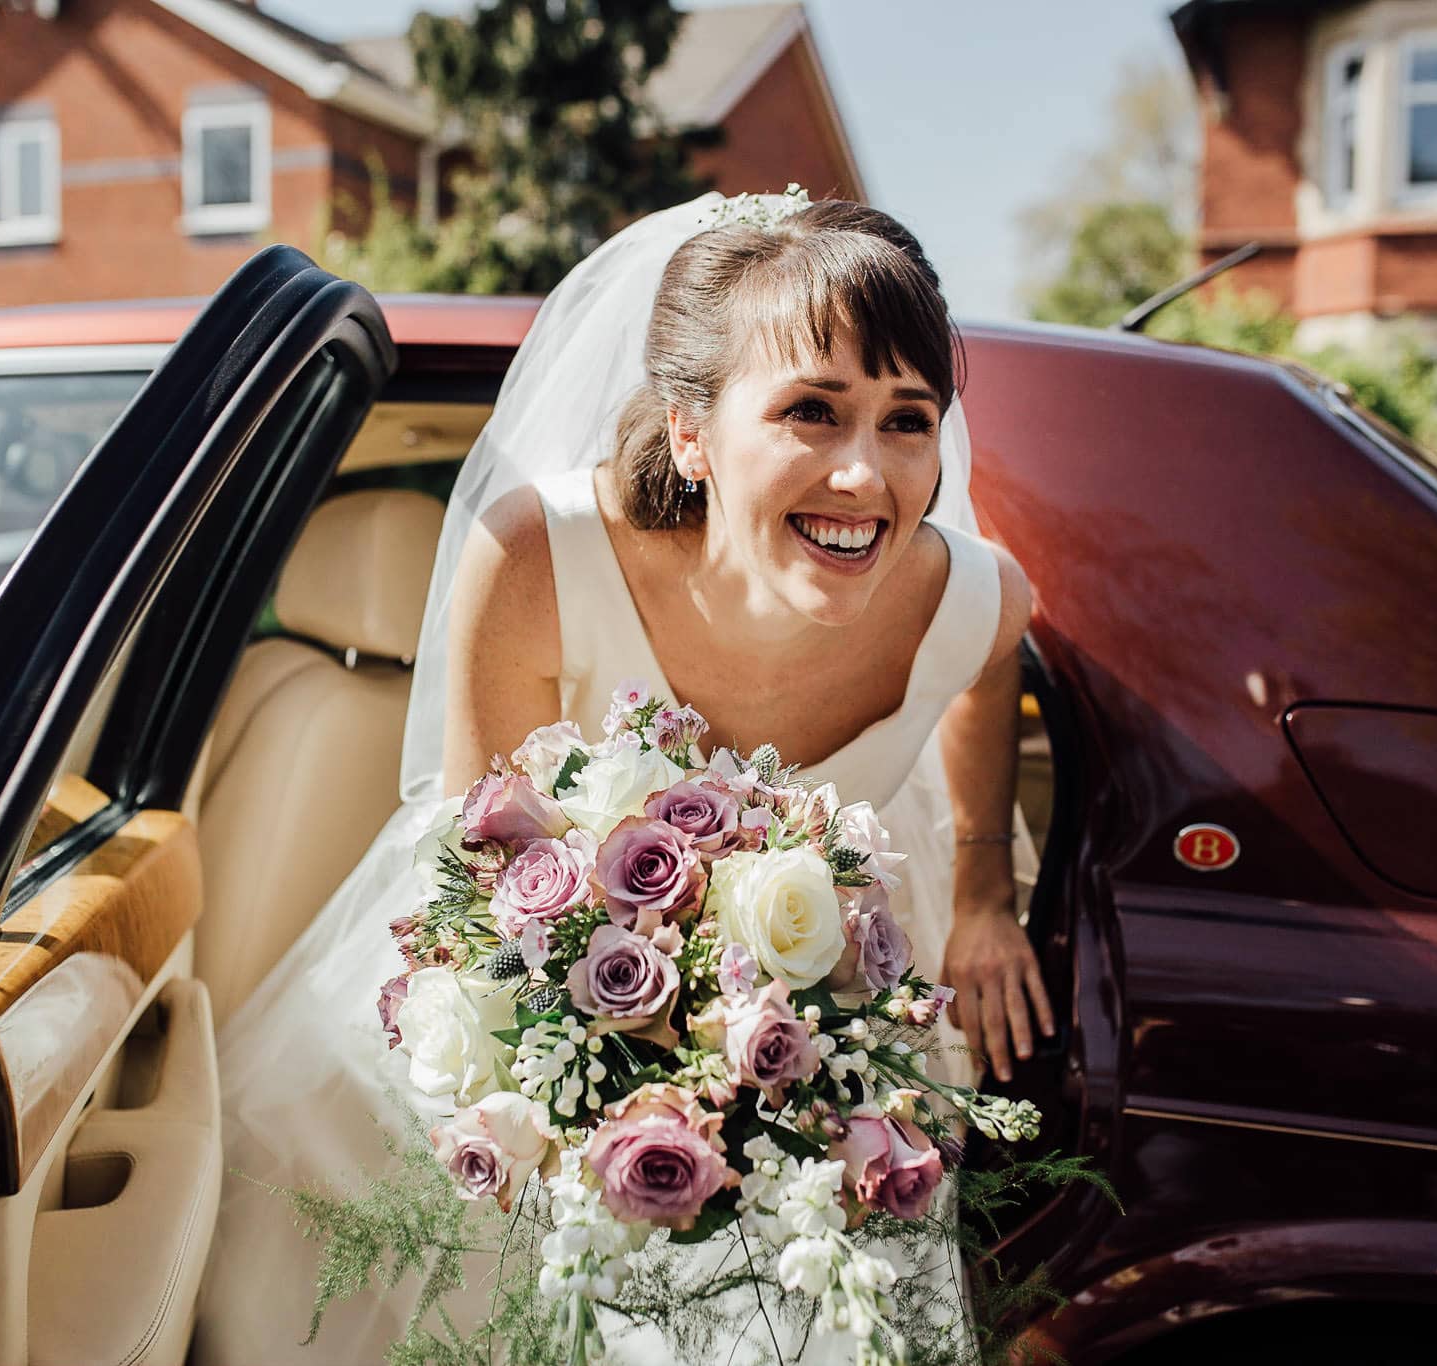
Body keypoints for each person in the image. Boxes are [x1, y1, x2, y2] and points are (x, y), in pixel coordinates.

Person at [191, 189, 1055, 1364]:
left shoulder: (966, 592)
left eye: (907, 421)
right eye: (813, 410)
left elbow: (987, 653)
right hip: (545, 995)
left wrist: (983, 895)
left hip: (815, 1031)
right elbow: (478, 876)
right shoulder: (538, 558)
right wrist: (636, 1060)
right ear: (691, 433)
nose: (866, 478)